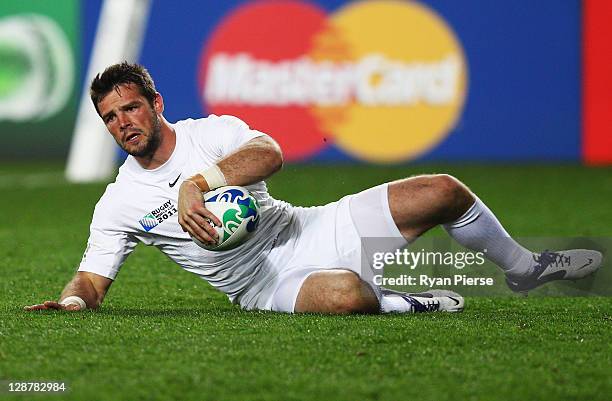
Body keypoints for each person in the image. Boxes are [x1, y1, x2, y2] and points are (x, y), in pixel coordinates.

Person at [25, 62, 602, 314]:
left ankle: (525, 266)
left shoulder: (213, 133)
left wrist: (198, 183)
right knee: (345, 297)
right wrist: (74, 301)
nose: (123, 123)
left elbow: (271, 153)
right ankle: (405, 302)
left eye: (131, 108)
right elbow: (92, 280)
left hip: (312, 225)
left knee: (443, 190)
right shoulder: (119, 202)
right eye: (110, 117)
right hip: (266, 284)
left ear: (156, 105)